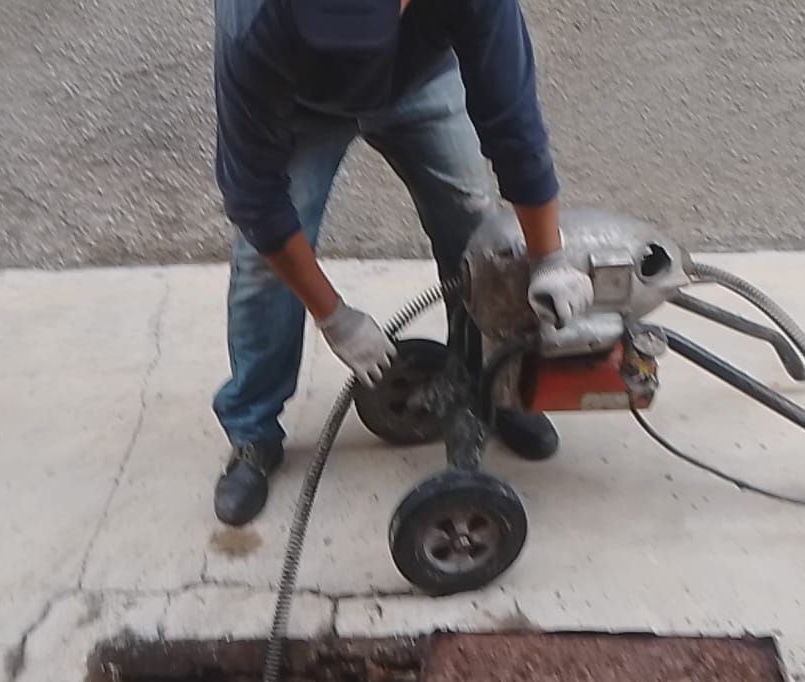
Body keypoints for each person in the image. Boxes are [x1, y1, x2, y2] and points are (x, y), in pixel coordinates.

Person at [210, 0, 594, 525]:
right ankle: (253, 431)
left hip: (421, 80)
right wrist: (334, 317)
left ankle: (498, 388)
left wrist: (549, 258)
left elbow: (515, 126)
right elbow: (255, 197)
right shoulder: (253, 18)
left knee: (480, 234)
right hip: (299, 101)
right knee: (261, 264)